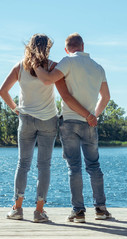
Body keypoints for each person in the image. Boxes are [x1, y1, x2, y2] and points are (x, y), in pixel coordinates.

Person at [35, 33, 111, 223]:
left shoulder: (67, 61)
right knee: (94, 166)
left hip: (69, 122)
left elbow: (48, 80)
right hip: (89, 124)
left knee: (74, 167)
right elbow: (106, 97)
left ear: (66, 49)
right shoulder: (98, 67)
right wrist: (94, 115)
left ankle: (78, 212)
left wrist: (35, 65)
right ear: (83, 46)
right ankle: (101, 209)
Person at [0, 33, 58, 223]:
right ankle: (39, 211)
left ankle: (17, 209)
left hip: (25, 120)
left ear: (29, 46)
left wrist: (16, 109)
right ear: (47, 47)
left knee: (23, 164)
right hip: (48, 120)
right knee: (44, 166)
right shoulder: (52, 66)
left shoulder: (20, 66)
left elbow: (3, 91)